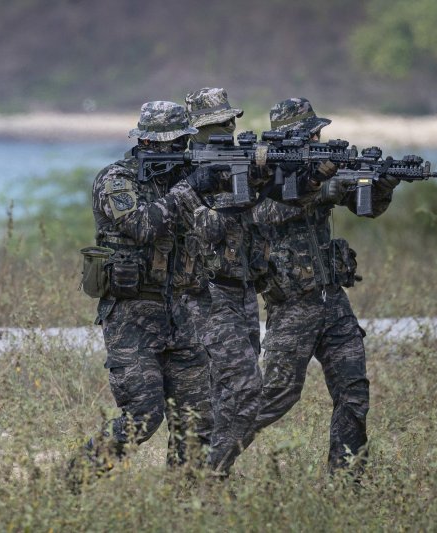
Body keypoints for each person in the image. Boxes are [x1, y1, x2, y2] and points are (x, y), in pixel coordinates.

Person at [243, 98, 400, 475]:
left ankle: (347, 481)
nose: (318, 138)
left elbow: (365, 207)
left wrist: (383, 182)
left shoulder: (321, 167)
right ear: (294, 137)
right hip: (292, 303)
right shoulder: (262, 171)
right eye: (312, 133)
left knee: (353, 393)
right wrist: (318, 184)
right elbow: (266, 211)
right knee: (276, 395)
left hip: (333, 301)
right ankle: (206, 460)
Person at [71, 101, 215, 484]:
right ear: (147, 142)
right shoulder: (117, 179)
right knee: (143, 416)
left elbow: (225, 224)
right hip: (131, 316)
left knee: (197, 420)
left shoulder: (186, 179)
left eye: (184, 141)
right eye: (172, 142)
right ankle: (72, 481)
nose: (180, 148)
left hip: (183, 314)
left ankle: (186, 501)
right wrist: (191, 188)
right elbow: (142, 225)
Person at [181, 87, 266, 477]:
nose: (228, 128)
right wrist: (225, 191)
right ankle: (211, 472)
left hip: (243, 290)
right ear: (198, 128)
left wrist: (263, 172)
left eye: (230, 120)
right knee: (246, 387)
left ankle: (205, 473)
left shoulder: (237, 163)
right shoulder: (185, 171)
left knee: (227, 392)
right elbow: (205, 229)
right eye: (218, 122)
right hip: (207, 293)